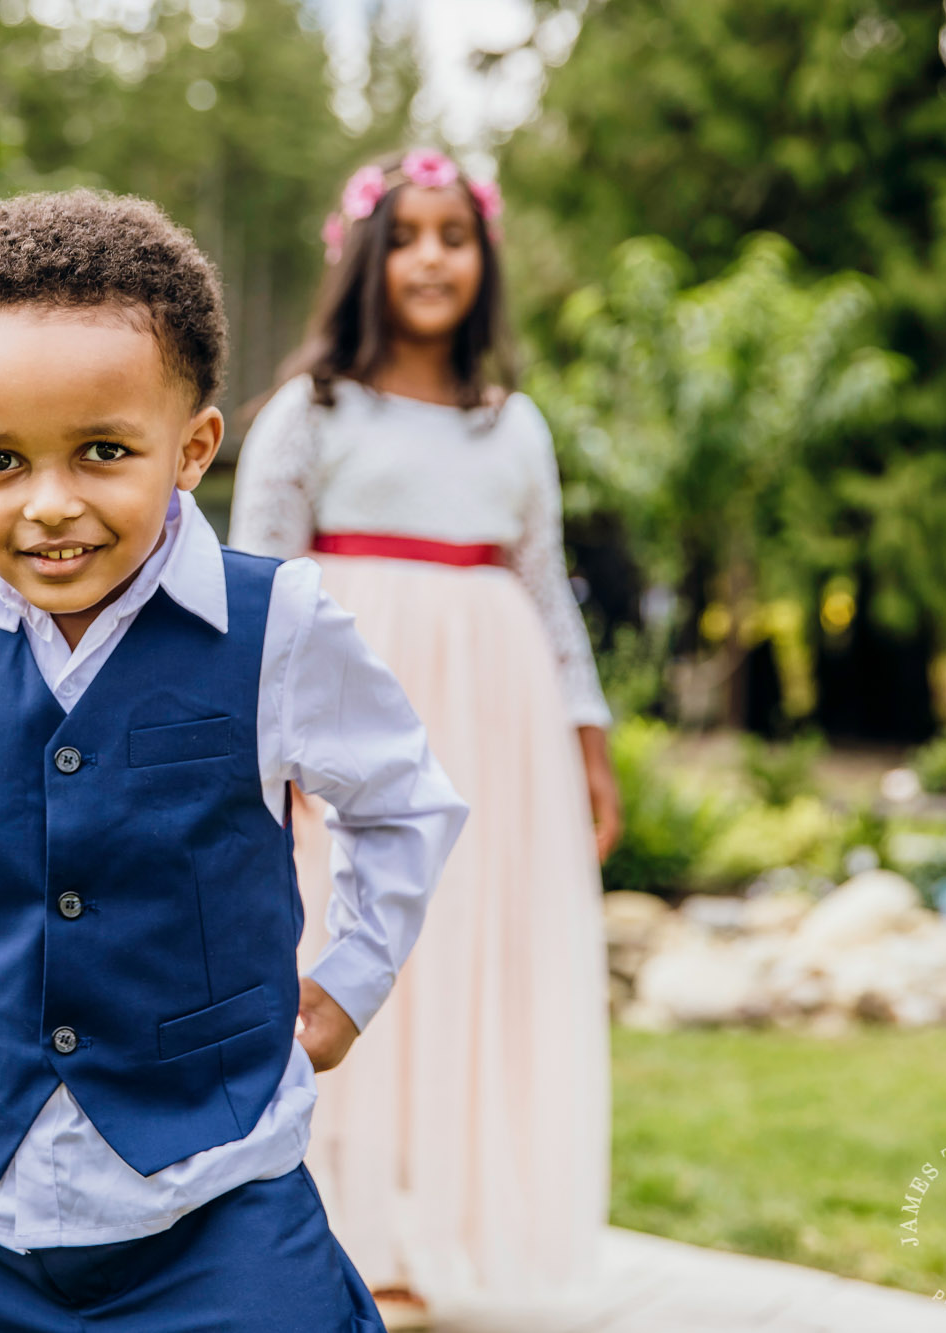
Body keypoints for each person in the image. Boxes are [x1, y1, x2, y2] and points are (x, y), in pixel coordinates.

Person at [0, 188, 468, 1333]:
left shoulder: (280, 629)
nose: (49, 505)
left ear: (192, 447)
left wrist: (349, 981)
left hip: (221, 1202)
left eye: (102, 452)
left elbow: (404, 806)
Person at [229, 151, 619, 1326]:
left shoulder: (514, 427)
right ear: (365, 257)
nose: (432, 256)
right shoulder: (311, 413)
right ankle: (351, 1236)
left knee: (467, 972)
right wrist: (260, 748)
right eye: (406, 235)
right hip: (350, 722)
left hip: (498, 740)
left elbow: (549, 597)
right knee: (348, 959)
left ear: (483, 258)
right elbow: (254, 584)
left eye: (453, 235)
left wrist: (587, 748)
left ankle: (442, 1225)